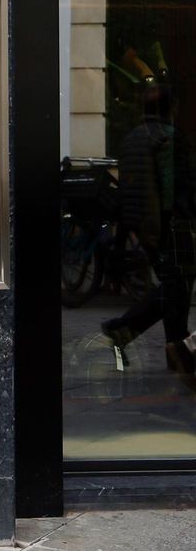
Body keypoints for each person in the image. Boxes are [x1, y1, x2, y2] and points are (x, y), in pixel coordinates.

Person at [100, 80, 196, 382]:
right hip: (172, 224)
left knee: (173, 289)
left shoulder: (131, 139)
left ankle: (173, 352)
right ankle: (128, 330)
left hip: (144, 227)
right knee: (177, 288)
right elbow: (174, 189)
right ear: (171, 107)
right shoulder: (169, 138)